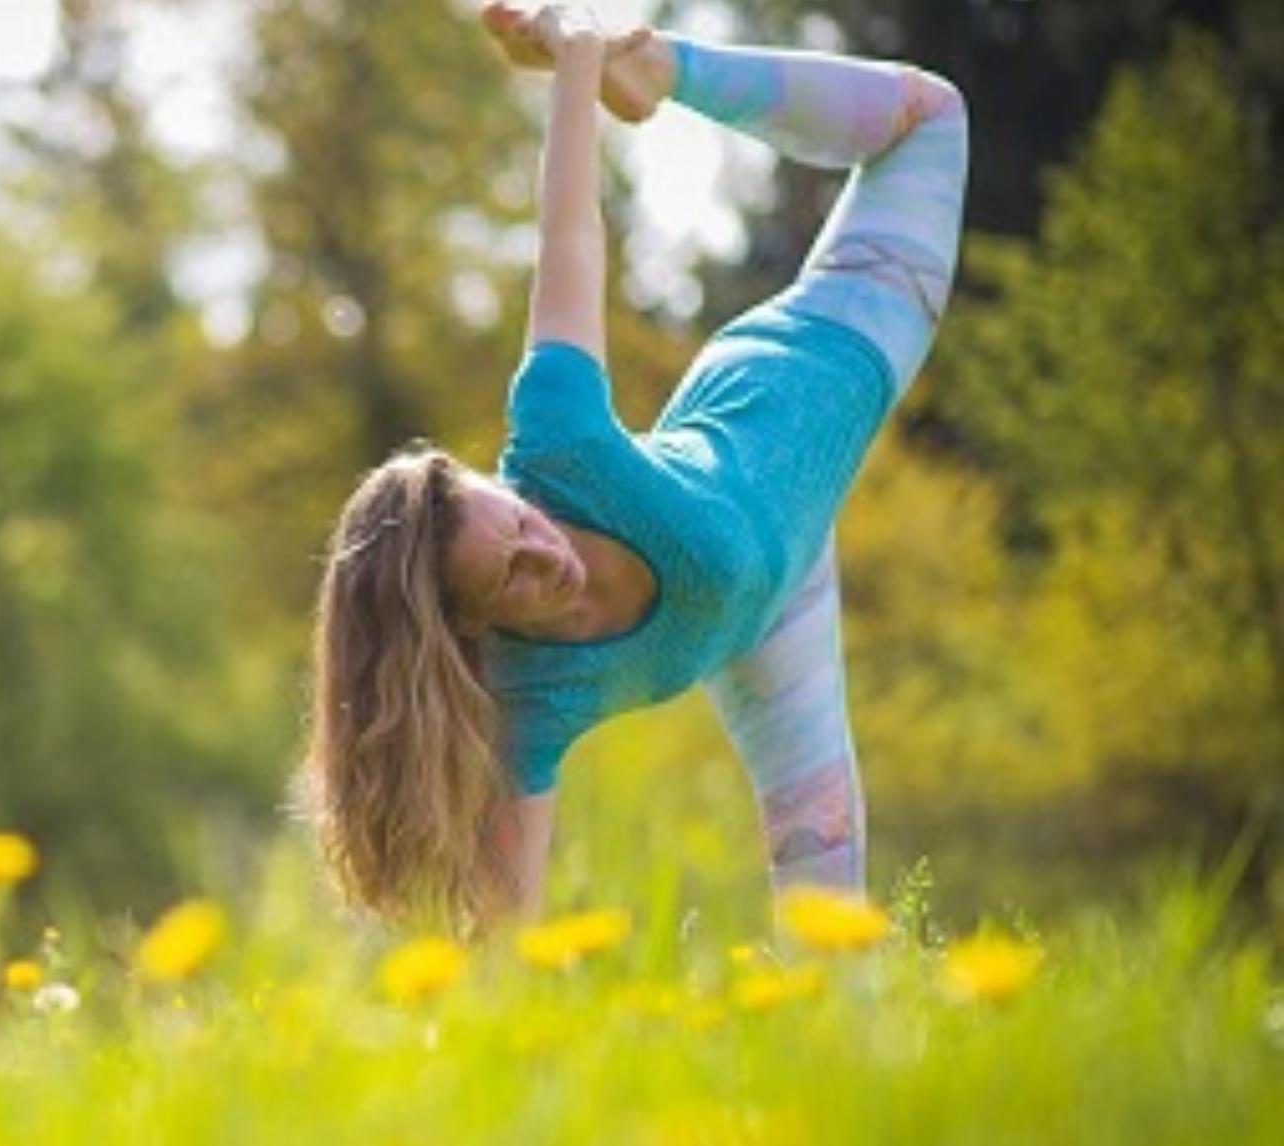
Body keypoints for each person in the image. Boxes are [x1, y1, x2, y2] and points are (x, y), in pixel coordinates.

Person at [292, 1, 969, 933]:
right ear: (471, 626)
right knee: (824, 886)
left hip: (803, 370)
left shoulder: (556, 444)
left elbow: (569, 237)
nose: (547, 555)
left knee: (932, 116)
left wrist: (577, 69)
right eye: (512, 577)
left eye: (522, 525)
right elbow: (505, 922)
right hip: (774, 597)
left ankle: (661, 69)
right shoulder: (530, 694)